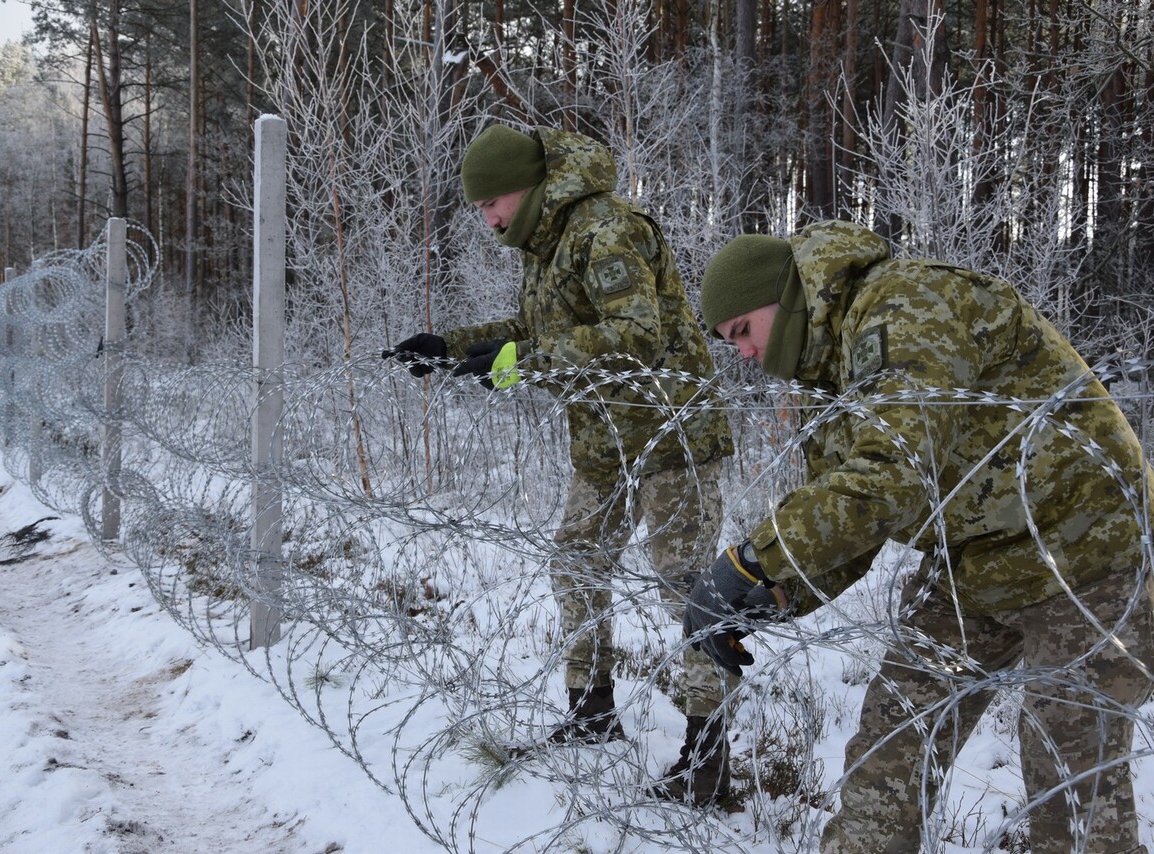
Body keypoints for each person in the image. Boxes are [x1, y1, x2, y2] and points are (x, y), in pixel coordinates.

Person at [683, 219, 1154, 851]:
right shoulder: (832, 378)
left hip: (1090, 548)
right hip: (976, 563)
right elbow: (850, 518)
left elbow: (890, 476)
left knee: (1066, 770)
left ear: (788, 294)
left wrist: (750, 561)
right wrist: (772, 597)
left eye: (742, 330)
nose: (742, 353)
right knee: (894, 741)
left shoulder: (905, 304)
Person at [384, 124, 736, 803]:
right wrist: (452, 349)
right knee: (575, 560)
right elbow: (535, 332)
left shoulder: (604, 229)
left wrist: (522, 366)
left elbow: (637, 334)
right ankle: (592, 709)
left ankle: (709, 756)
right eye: (479, 208)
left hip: (671, 434)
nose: (487, 218)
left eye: (493, 203)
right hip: (605, 441)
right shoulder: (544, 244)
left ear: (529, 186)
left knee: (686, 588)